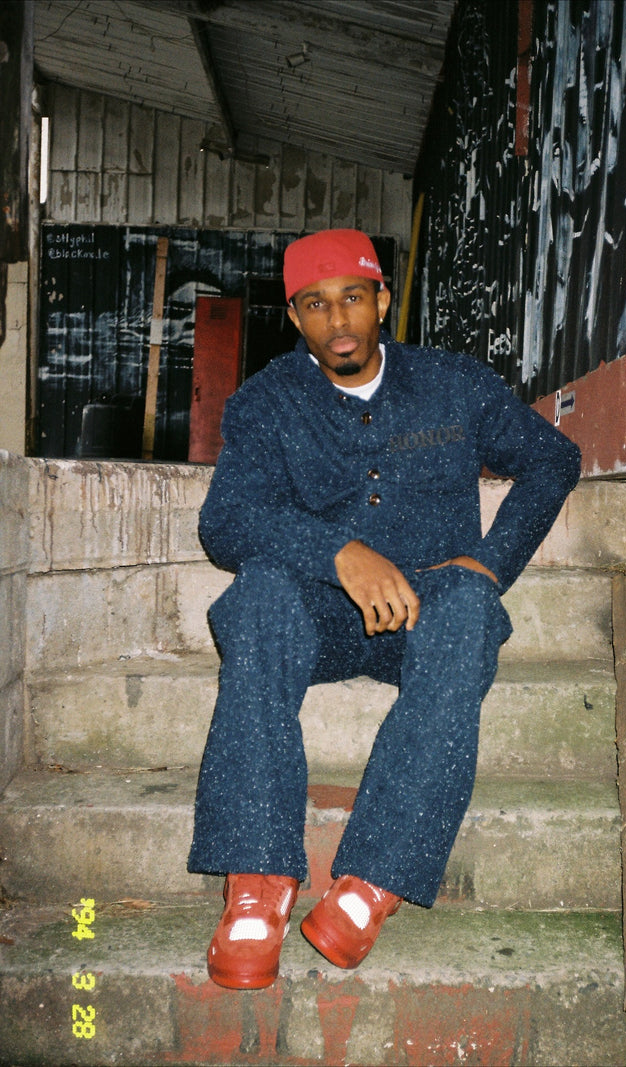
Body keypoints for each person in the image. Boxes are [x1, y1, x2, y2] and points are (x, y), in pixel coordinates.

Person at [188, 228, 581, 989]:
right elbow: (225, 521)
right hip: (318, 616)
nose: (337, 321)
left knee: (471, 609)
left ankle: (372, 881)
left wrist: (491, 561)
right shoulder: (267, 399)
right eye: (314, 304)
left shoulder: (452, 383)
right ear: (294, 315)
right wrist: (338, 552)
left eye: (352, 298)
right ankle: (258, 879)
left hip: (425, 613)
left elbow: (552, 459)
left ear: (382, 300)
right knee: (258, 596)